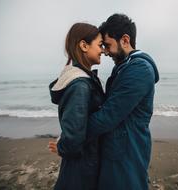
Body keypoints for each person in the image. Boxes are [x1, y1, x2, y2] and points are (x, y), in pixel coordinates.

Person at [86, 14, 159, 190]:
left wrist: (72, 136)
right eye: (102, 46)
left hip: (127, 152)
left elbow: (108, 115)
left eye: (108, 45)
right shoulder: (124, 67)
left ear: (125, 40)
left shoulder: (139, 69)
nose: (105, 51)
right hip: (118, 149)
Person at [48, 23, 105, 190]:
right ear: (84, 45)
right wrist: (63, 146)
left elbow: (75, 124)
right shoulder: (80, 85)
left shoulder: (82, 81)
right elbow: (73, 139)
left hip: (83, 164)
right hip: (82, 170)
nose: (102, 50)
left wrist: (63, 144)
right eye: (100, 45)